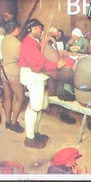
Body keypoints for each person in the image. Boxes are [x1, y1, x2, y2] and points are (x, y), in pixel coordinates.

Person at [18, 18, 67, 148]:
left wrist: (42, 46)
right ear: (31, 29)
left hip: (39, 76)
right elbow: (38, 64)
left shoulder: (35, 41)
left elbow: (40, 56)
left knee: (41, 106)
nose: (41, 30)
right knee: (35, 107)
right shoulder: (28, 43)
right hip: (33, 76)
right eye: (39, 28)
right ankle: (29, 138)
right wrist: (56, 65)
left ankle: (35, 133)